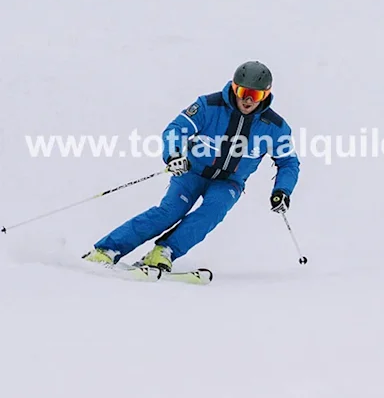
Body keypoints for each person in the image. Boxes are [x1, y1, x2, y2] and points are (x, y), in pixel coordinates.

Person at [82, 61, 300, 271]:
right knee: (169, 212)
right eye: (243, 93)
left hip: (229, 182)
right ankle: (107, 249)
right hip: (192, 172)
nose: (248, 100)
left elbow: (288, 162)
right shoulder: (209, 106)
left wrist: (282, 191)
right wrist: (174, 155)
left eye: (257, 95)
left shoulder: (274, 127)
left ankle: (164, 252)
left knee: (211, 213)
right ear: (234, 88)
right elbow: (176, 129)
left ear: (266, 95)